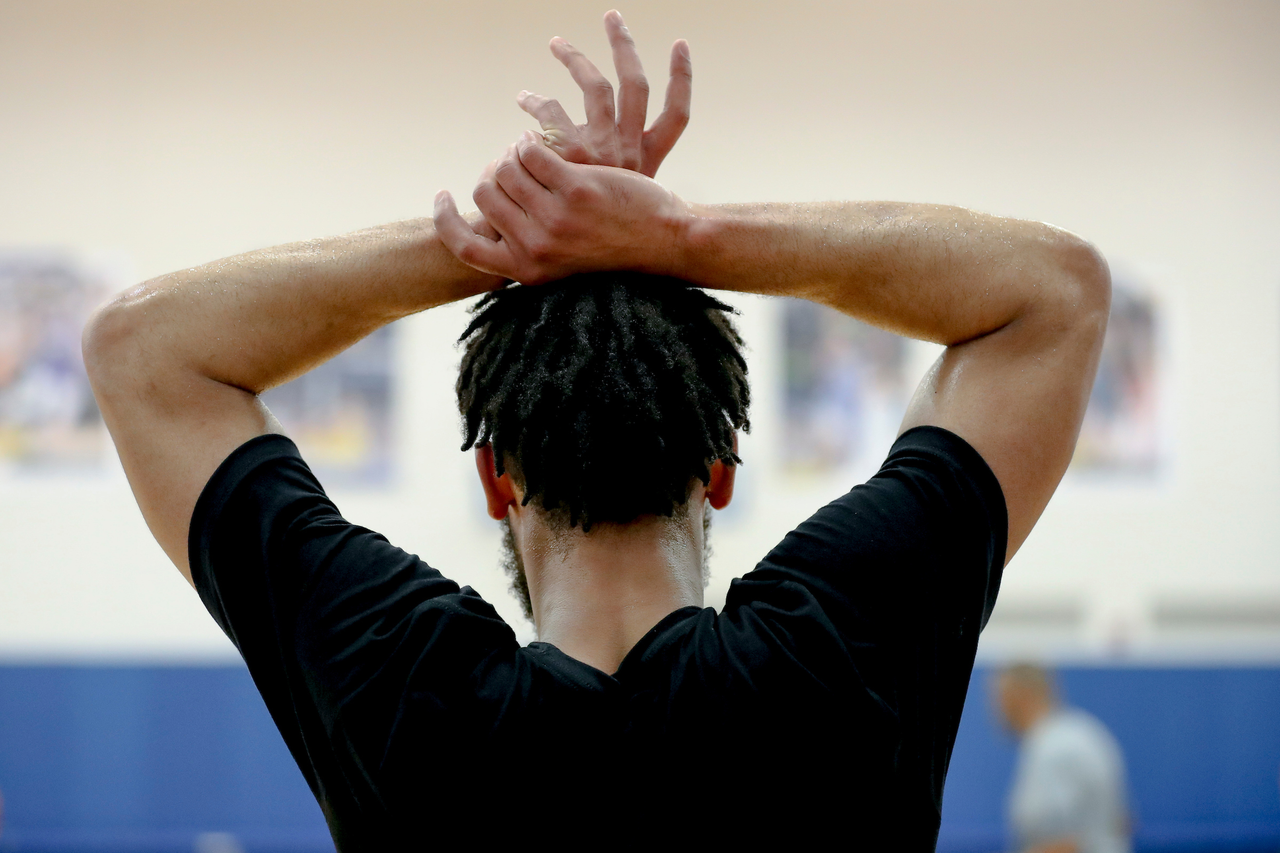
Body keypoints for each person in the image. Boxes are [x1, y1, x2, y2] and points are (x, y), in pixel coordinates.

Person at [82, 10, 1110, 850]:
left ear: (495, 477)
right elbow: (1053, 295)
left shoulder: (403, 687)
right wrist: (678, 233)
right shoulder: (835, 652)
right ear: (719, 468)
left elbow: (142, 351)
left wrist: (505, 232)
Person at [996, 663, 1133, 853]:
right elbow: (1122, 821)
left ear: (1019, 696)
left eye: (1000, 699)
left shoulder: (1053, 750)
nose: (997, 710)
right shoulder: (1083, 732)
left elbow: (1067, 842)